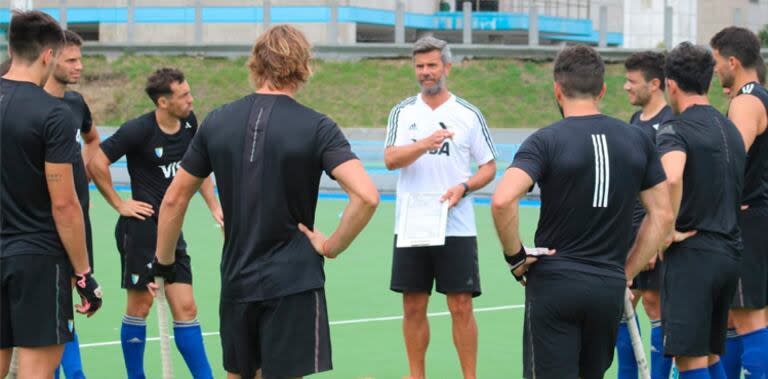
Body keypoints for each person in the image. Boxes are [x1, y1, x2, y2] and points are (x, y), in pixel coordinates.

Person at [150, 24, 379, 379]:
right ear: (303, 67)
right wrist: (332, 245)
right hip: (294, 281)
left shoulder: (217, 121)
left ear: (255, 63)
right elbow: (366, 196)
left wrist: (163, 265)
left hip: (238, 278)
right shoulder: (318, 127)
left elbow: (174, 200)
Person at [491, 45, 673, 379]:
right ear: (602, 90)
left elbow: (502, 200)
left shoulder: (545, 140)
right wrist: (626, 270)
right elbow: (663, 215)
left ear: (557, 90)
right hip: (606, 287)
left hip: (555, 285)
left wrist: (515, 257)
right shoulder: (638, 139)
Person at [88, 68, 220, 379]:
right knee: (140, 308)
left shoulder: (190, 123)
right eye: (184, 95)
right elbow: (97, 162)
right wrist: (120, 203)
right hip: (142, 229)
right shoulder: (138, 130)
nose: (191, 99)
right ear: (163, 102)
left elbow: (197, 168)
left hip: (172, 230)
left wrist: (214, 206)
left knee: (186, 308)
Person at [384, 36, 497, 379]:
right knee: (413, 305)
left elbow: (489, 167)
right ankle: (417, 375)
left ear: (447, 67)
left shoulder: (467, 114)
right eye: (420, 66)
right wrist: (423, 144)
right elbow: (390, 159)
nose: (426, 72)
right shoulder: (403, 113)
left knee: (460, 305)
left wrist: (464, 187)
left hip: (456, 224)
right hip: (413, 224)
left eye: (432, 65)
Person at [0, 10, 102, 378]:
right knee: (36, 372)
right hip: (39, 260)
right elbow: (64, 203)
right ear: (47, 55)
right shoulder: (54, 114)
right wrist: (84, 273)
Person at [656, 41, 745, 379]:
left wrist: (667, 228)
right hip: (729, 252)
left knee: (689, 360)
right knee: (708, 356)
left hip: (693, 254)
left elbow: (673, 175)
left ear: (671, 85)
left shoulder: (675, 129)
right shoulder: (731, 130)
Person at [711, 26, 768, 379]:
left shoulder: (746, 100)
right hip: (756, 218)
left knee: (749, 319)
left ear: (733, 61)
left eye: (717, 62)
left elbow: (731, 161)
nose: (715, 69)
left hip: (749, 219)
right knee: (736, 316)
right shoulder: (759, 96)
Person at [43, 29, 100, 379]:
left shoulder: (75, 104)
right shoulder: (31, 107)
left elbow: (93, 139)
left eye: (81, 59)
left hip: (75, 223)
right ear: (48, 58)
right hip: (44, 226)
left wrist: (83, 172)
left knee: (65, 309)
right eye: (71, 60)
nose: (79, 66)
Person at [618, 51, 675, 379]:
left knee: (653, 306)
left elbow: (668, 185)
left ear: (655, 84)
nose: (626, 87)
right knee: (622, 308)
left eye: (631, 81)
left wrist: (653, 240)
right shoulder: (634, 122)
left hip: (651, 229)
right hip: (629, 227)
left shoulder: (668, 123)